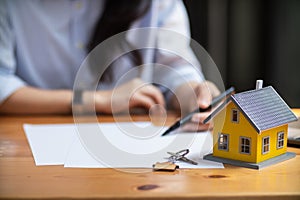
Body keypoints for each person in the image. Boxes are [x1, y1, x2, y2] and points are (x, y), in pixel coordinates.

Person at [0, 0, 219, 130]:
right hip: (25, 142)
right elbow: (3, 86)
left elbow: (173, 68)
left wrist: (192, 94)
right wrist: (96, 100)